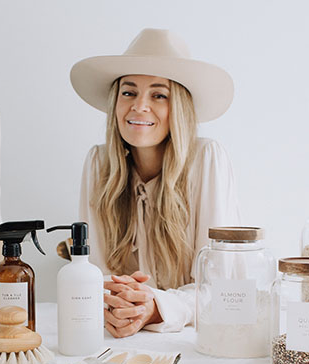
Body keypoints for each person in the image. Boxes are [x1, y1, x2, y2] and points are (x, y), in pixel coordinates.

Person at [70, 28, 241, 337]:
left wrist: (154, 307)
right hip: (118, 339)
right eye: (129, 92)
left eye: (159, 95)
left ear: (180, 108)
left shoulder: (206, 159)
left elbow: (221, 287)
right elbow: (94, 273)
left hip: (193, 340)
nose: (139, 106)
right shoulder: (98, 164)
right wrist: (116, 306)